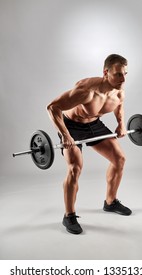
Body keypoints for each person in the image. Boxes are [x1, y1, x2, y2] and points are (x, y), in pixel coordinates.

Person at [47, 54, 132, 234]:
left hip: (94, 124)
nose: (123, 79)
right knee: (74, 168)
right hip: (71, 127)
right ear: (106, 72)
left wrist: (121, 124)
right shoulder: (87, 91)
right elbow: (52, 107)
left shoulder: (119, 91)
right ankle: (69, 216)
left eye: (125, 73)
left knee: (120, 159)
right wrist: (65, 135)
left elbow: (119, 106)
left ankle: (110, 202)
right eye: (118, 74)